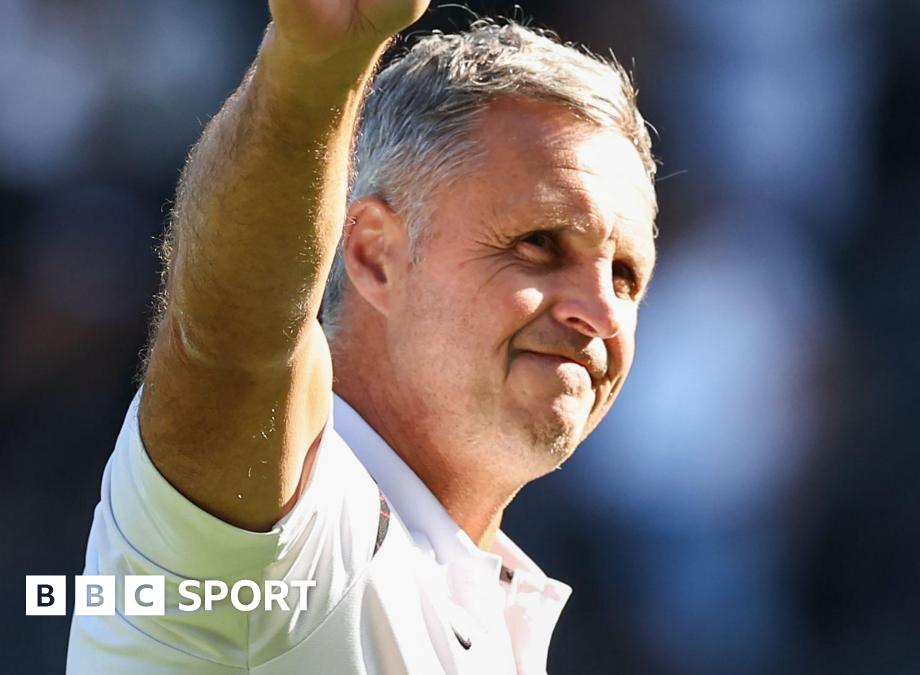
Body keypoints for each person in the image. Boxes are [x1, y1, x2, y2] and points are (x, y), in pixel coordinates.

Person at [65, 1, 658, 672]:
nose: (602, 312)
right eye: (540, 244)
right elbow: (231, 342)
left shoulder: (500, 607)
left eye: (627, 274)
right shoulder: (294, 522)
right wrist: (317, 66)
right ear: (376, 254)